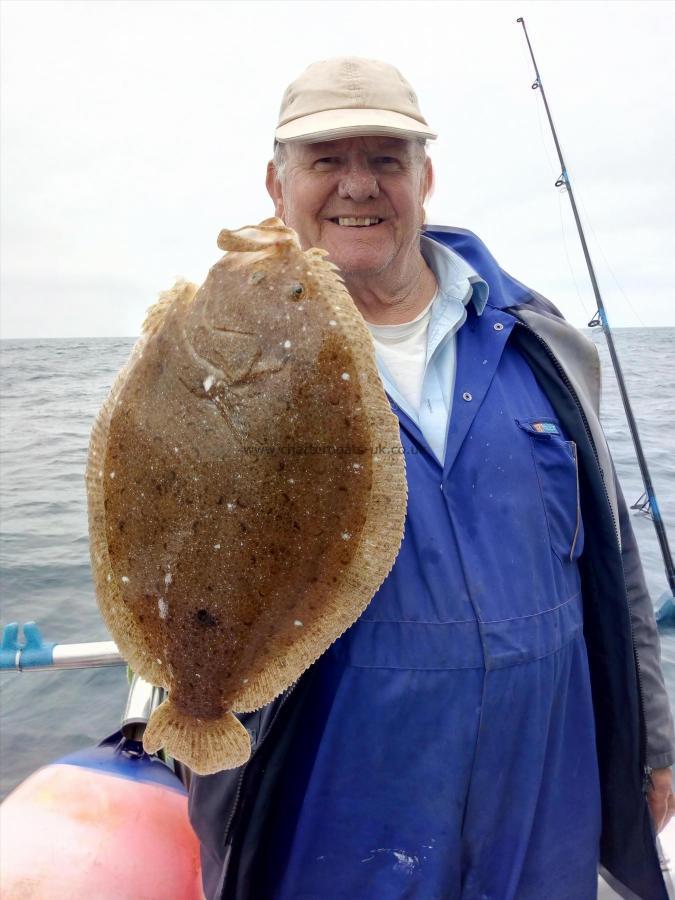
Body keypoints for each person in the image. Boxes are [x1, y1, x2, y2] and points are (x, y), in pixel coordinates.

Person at [189, 57, 675, 899]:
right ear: (277, 183)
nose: (357, 185)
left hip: (543, 795)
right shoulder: (227, 364)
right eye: (325, 160)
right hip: (340, 797)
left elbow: (611, 561)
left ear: (425, 177)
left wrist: (650, 741)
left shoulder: (540, 342)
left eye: (384, 158)